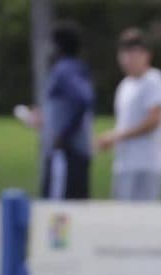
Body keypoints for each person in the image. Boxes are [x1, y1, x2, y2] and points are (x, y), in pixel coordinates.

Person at [96, 28, 161, 201]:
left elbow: (154, 120)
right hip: (124, 164)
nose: (127, 59)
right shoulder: (125, 86)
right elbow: (125, 123)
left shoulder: (154, 81)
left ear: (146, 55)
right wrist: (111, 140)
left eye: (133, 54)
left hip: (146, 164)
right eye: (124, 54)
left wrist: (117, 136)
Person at [40, 20, 95, 200]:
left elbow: (83, 99)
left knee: (59, 211)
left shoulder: (64, 70)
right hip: (72, 152)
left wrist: (63, 135)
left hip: (66, 154)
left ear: (58, 46)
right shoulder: (75, 68)